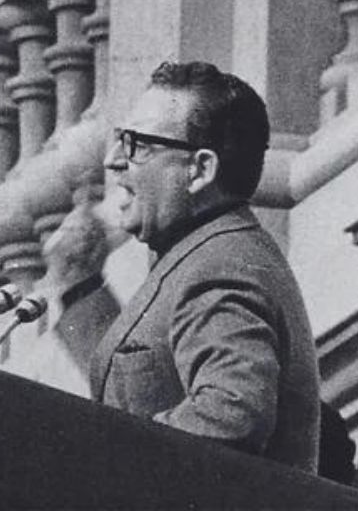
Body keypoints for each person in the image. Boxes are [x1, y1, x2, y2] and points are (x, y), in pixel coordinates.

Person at [88, 61, 321, 473]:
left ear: (199, 171)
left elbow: (232, 413)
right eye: (120, 140)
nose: (113, 160)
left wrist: (100, 463)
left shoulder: (218, 265)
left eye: (138, 145)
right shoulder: (205, 253)